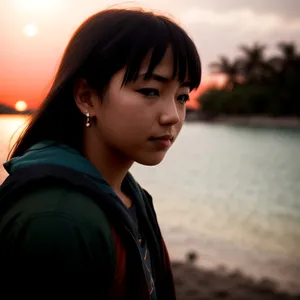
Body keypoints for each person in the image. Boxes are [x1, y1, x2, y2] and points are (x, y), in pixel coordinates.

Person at [0, 7, 201, 300]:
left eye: (182, 97)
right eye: (149, 91)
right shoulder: (57, 220)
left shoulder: (130, 196)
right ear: (86, 97)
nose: (172, 115)